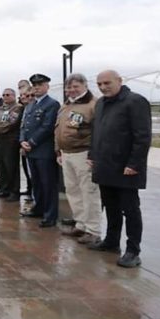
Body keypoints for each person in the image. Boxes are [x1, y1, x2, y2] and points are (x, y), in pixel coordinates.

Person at [87, 70, 151, 268]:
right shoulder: (101, 103)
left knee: (130, 210)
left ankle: (133, 250)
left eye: (107, 83)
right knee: (111, 206)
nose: (103, 87)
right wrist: (92, 154)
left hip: (126, 167)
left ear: (119, 81)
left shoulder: (135, 101)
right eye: (99, 84)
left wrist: (134, 164)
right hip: (105, 166)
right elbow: (97, 132)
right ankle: (112, 241)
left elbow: (142, 136)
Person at [55, 73, 100, 245]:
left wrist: (93, 154)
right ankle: (80, 224)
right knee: (72, 190)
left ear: (84, 86)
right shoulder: (66, 105)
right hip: (66, 153)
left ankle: (93, 230)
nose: (71, 90)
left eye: (75, 87)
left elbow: (98, 132)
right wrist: (57, 150)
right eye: (68, 87)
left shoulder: (93, 105)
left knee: (88, 192)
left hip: (83, 154)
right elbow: (58, 129)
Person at [19, 74, 61, 228]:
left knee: (48, 183)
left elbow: (48, 126)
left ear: (47, 86)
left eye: (40, 85)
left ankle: (50, 215)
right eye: (34, 85)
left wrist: (31, 142)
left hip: (43, 151)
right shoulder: (30, 105)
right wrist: (22, 141)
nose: (37, 87)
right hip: (30, 151)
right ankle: (39, 208)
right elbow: (24, 125)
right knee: (36, 182)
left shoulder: (52, 104)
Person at [0, 88, 23, 201]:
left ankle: (14, 191)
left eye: (8, 95)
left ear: (14, 95)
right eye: (4, 95)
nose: (5, 97)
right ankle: (5, 188)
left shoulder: (17, 108)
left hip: (10, 141)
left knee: (11, 166)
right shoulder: (1, 108)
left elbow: (10, 123)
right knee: (2, 166)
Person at [17, 85, 34, 198]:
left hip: (33, 145)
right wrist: (22, 142)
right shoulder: (25, 109)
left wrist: (30, 142)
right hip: (24, 145)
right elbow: (22, 127)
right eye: (22, 95)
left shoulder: (33, 108)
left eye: (27, 95)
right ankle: (31, 192)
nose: (24, 97)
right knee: (28, 172)